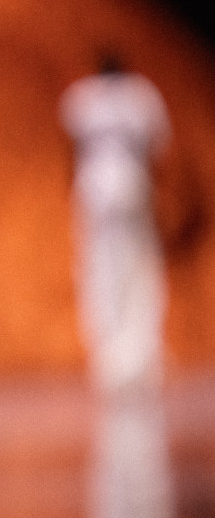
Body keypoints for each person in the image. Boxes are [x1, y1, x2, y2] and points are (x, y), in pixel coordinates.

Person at [60, 55, 171, 394]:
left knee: (101, 272)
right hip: (131, 186)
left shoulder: (82, 97)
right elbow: (158, 150)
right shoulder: (141, 95)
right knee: (136, 271)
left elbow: (69, 151)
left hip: (94, 191)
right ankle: (137, 360)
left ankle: (110, 363)